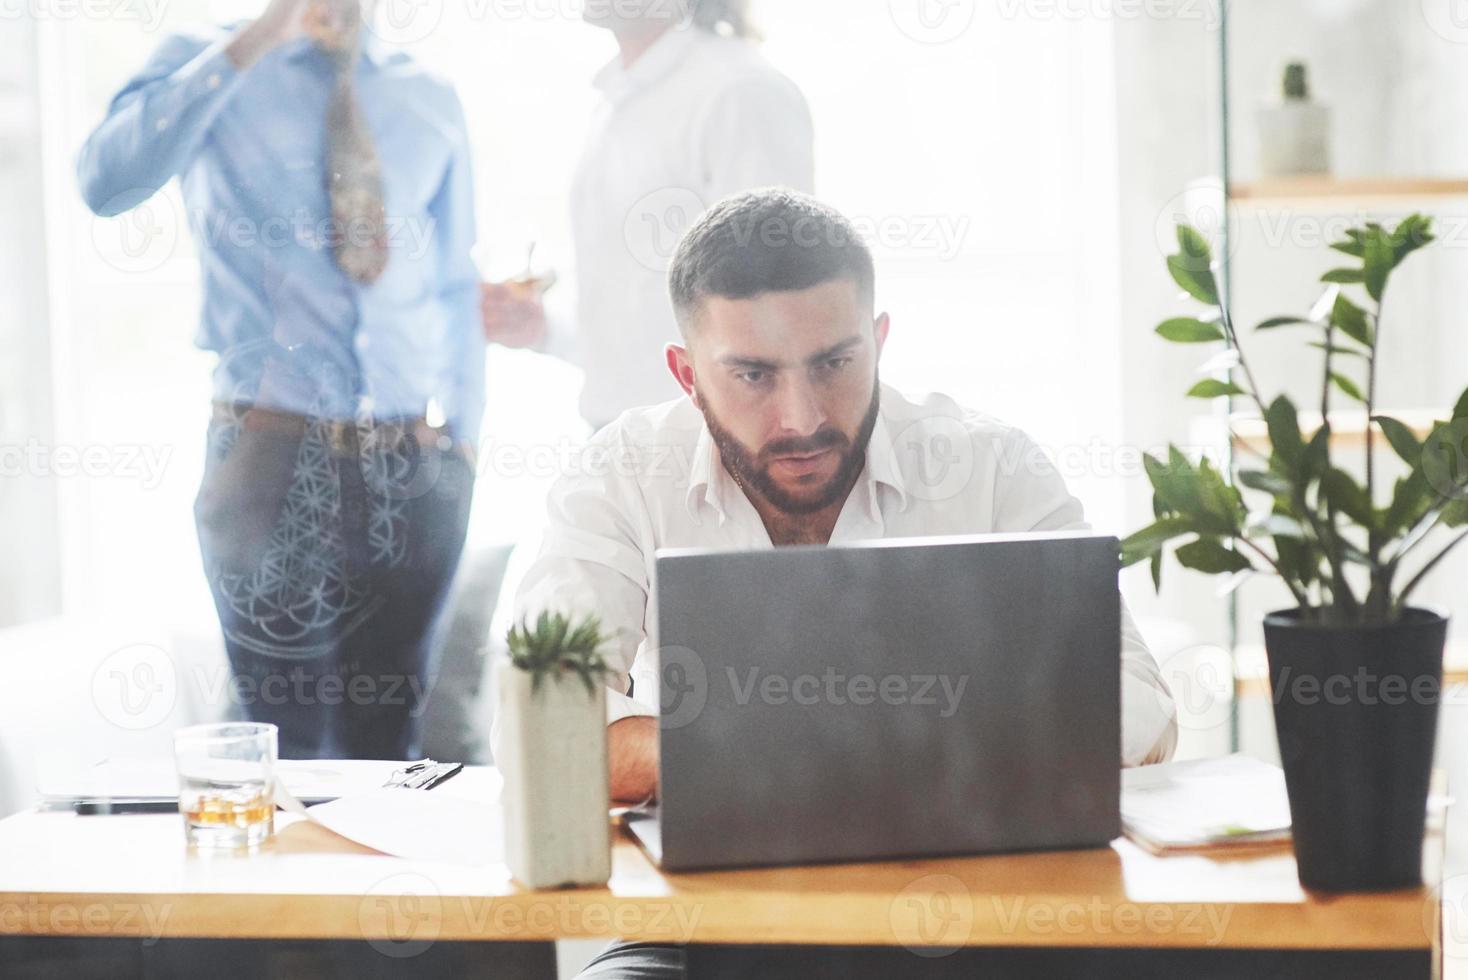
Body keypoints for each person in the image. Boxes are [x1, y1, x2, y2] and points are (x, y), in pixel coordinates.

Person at [507, 190, 1178, 977]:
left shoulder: (992, 466)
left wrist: (758, 750)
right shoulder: (622, 474)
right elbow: (543, 734)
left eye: (834, 363)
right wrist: (878, 740)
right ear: (687, 375)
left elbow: (1141, 712)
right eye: (754, 374)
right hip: (702, 931)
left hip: (981, 917)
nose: (802, 418)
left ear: (879, 341)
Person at [77, 0, 483, 759]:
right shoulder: (212, 60)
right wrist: (254, 39)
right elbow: (107, 184)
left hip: (411, 459)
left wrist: (463, 443)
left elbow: (457, 282)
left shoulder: (428, 93)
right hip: (267, 453)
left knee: (391, 748)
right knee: (278, 746)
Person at [480, 0, 815, 428]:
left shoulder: (741, 92)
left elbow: (778, 305)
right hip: (617, 442)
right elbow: (636, 306)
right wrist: (546, 330)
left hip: (705, 451)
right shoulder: (616, 100)